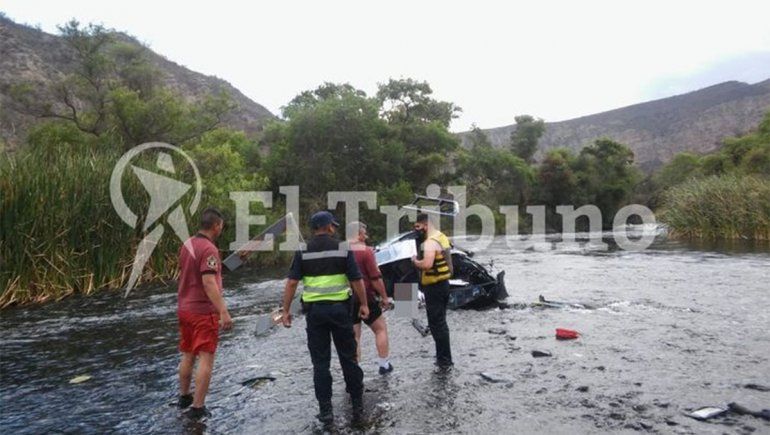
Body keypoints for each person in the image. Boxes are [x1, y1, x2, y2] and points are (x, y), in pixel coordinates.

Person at [281, 211, 370, 425]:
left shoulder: (303, 251)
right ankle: (357, 405)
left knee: (320, 364)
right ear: (328, 227)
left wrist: (285, 311)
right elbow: (356, 279)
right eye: (333, 226)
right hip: (340, 311)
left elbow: (292, 283)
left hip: (315, 313)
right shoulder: (342, 248)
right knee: (348, 358)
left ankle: (326, 411)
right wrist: (365, 304)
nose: (335, 228)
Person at [176, 207, 234, 420]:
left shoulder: (187, 244)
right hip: (202, 311)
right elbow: (209, 282)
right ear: (216, 226)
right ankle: (198, 407)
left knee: (188, 353)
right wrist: (223, 311)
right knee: (206, 358)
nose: (221, 228)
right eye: (221, 226)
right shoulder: (210, 249)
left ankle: (184, 397)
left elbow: (196, 272)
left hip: (184, 309)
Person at [346, 221, 393, 374]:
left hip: (347, 298)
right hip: (366, 295)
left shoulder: (340, 250)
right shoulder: (366, 251)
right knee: (380, 329)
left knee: (354, 336)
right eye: (364, 233)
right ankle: (384, 365)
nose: (366, 236)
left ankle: (355, 368)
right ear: (358, 234)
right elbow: (375, 278)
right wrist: (385, 297)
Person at [411, 213, 454, 370]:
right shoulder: (441, 236)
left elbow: (427, 264)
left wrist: (415, 261)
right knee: (441, 322)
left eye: (418, 227)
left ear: (426, 225)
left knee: (437, 324)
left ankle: (444, 360)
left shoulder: (430, 242)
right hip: (443, 284)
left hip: (434, 287)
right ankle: (444, 357)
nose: (417, 230)